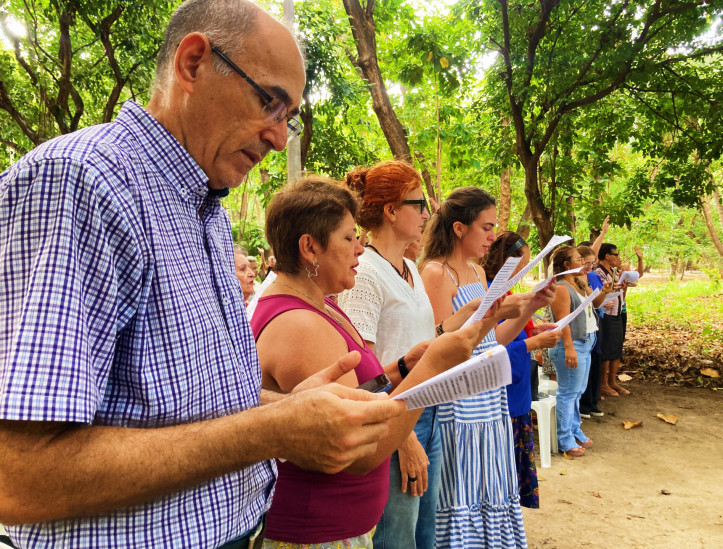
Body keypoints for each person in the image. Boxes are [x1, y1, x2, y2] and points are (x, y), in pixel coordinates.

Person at [0, 2, 408, 547]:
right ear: (192, 64)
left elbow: (185, 408)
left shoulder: (208, 209)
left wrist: (290, 410)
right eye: (270, 103)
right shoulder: (81, 184)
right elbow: (19, 474)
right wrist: (273, 429)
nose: (278, 136)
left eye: (289, 118)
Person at [251, 177, 507, 548]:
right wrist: (431, 367)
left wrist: (402, 367)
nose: (359, 249)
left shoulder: (322, 303)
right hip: (316, 532)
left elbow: (355, 392)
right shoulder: (299, 325)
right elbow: (356, 445)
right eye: (348, 238)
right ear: (309, 247)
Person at [338, 161, 484, 549]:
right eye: (419, 204)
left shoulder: (407, 267)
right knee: (397, 535)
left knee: (423, 532)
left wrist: (464, 321)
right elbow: (362, 376)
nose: (426, 213)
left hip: (426, 410)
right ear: (390, 211)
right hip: (393, 422)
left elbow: (417, 343)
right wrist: (403, 439)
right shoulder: (365, 274)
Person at [419, 187, 555, 549]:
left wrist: (528, 307)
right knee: (461, 487)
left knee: (489, 483)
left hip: (488, 398)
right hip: (457, 402)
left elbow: (492, 339)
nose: (493, 236)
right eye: (487, 227)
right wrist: (484, 316)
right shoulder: (435, 273)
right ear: (460, 228)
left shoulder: (478, 271)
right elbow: (440, 346)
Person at [481, 231, 561, 508]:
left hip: (517, 389)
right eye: (521, 264)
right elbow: (489, 345)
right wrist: (534, 341)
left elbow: (514, 333)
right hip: (504, 390)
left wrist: (533, 330)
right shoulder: (488, 290)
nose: (523, 271)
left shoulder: (507, 291)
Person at [548, 246, 609, 458]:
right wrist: (568, 347)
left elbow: (597, 303)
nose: (583, 263)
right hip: (572, 344)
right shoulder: (562, 287)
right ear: (566, 265)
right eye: (578, 259)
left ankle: (574, 429)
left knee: (577, 391)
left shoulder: (580, 282)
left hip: (586, 342)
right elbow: (563, 320)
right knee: (567, 393)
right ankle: (565, 439)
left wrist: (607, 290)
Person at [595, 243, 629, 396]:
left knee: (616, 347)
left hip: (617, 312)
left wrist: (624, 285)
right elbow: (602, 293)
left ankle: (612, 381)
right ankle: (603, 384)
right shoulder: (599, 272)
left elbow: (621, 293)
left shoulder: (614, 272)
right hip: (606, 313)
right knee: (607, 349)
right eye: (616, 254)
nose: (618, 257)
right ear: (607, 256)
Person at [577, 245, 606, 419]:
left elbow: (596, 301)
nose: (590, 266)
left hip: (594, 324)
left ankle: (592, 401)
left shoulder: (592, 277)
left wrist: (607, 294)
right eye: (586, 263)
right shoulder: (569, 281)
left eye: (592, 263)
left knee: (595, 361)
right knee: (579, 375)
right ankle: (584, 404)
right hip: (580, 329)